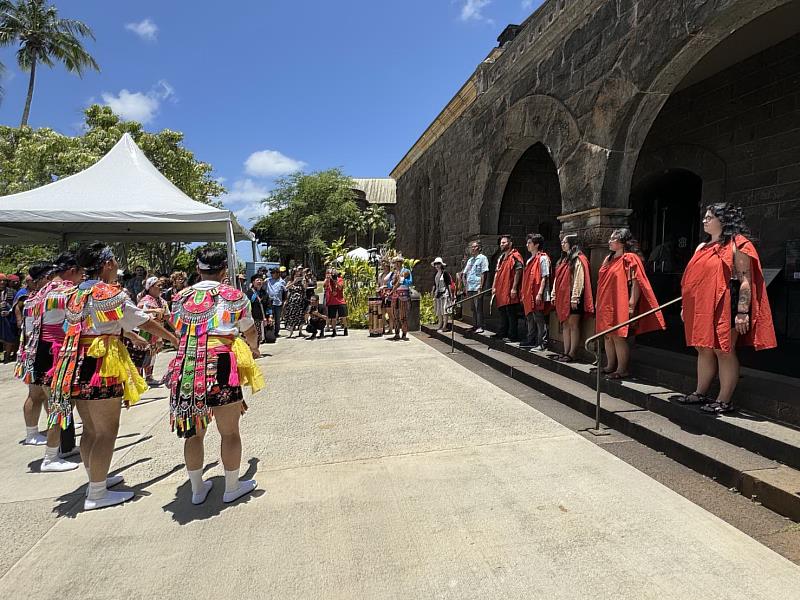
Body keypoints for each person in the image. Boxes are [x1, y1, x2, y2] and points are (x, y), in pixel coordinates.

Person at [48, 243, 177, 510]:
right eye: (114, 261)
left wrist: (129, 335)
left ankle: (96, 477)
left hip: (75, 361)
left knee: (92, 429)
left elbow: (83, 324)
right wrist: (173, 338)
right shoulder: (110, 293)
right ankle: (96, 493)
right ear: (106, 264)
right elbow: (141, 319)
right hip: (101, 363)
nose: (117, 265)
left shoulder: (74, 293)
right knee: (107, 431)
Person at [167, 247, 263, 505]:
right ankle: (231, 487)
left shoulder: (179, 298)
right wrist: (253, 349)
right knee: (229, 431)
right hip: (221, 361)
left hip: (187, 362)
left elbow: (177, 328)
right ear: (223, 271)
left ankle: (198, 488)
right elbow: (250, 329)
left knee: (193, 432)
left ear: (198, 270)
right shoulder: (234, 296)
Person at [678, 203, 776, 414]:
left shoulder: (738, 244)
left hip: (726, 303)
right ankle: (700, 391)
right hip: (701, 305)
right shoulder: (700, 247)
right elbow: (693, 281)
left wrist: (742, 312)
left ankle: (724, 399)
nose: (705, 220)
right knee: (702, 347)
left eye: (710, 217)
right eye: (704, 216)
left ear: (724, 220)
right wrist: (686, 306)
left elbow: (745, 280)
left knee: (723, 349)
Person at [16, 254, 85, 470]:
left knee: (54, 402)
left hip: (40, 353)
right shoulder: (62, 292)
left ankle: (62, 448)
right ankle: (50, 457)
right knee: (59, 404)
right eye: (80, 273)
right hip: (55, 354)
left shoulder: (35, 297)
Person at [595, 229, 665, 379]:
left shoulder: (630, 258)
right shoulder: (609, 258)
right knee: (607, 335)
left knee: (618, 336)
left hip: (620, 301)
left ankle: (622, 369)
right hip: (606, 302)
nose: (610, 241)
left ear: (622, 242)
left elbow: (636, 282)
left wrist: (631, 304)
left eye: (613, 239)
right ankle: (609, 365)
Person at [15, 262, 54, 447]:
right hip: (35, 353)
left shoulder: (34, 298)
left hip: (35, 352)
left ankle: (44, 427)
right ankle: (31, 432)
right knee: (36, 395)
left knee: (44, 395)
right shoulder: (36, 300)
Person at [553, 234, 594, 362]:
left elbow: (579, 279)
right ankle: (565, 351)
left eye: (565, 242)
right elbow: (557, 279)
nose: (562, 244)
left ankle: (572, 353)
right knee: (565, 324)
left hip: (573, 296)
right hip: (563, 295)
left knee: (573, 324)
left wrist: (575, 296)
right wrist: (554, 293)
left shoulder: (578, 259)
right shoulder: (563, 260)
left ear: (572, 243)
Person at [520, 234, 552, 351]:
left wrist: (539, 293)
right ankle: (530, 339)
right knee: (530, 317)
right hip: (529, 293)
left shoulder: (543, 258)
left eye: (529, 243)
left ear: (536, 244)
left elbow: (544, 276)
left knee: (539, 318)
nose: (527, 245)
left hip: (538, 292)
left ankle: (541, 342)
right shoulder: (529, 259)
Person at [137, 276, 170, 386]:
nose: (160, 288)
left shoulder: (161, 300)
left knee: (153, 354)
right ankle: (139, 378)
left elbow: (167, 315)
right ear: (150, 287)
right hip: (146, 331)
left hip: (157, 330)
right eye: (158, 286)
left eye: (161, 286)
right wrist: (154, 310)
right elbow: (139, 312)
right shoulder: (145, 300)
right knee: (143, 353)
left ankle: (149, 376)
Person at [491, 235, 524, 342]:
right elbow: (497, 272)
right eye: (501, 243)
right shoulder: (501, 257)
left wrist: (514, 288)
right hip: (501, 289)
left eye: (504, 243)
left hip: (509, 289)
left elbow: (519, 271)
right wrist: (494, 286)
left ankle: (512, 335)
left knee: (511, 313)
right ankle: (502, 332)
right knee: (503, 312)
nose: (502, 244)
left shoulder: (515, 256)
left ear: (510, 244)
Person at [462, 241, 489, 333]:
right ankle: (475, 325)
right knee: (473, 308)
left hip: (477, 286)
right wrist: (465, 286)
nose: (472, 249)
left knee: (478, 308)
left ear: (479, 248)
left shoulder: (482, 258)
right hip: (470, 287)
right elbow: (465, 273)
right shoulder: (470, 260)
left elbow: (484, 273)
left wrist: (481, 287)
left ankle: (480, 326)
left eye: (474, 247)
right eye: (471, 247)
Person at [388, 257, 412, 341]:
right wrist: (392, 283)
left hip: (403, 295)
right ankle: (397, 333)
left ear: (401, 263)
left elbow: (410, 282)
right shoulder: (394, 273)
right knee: (395, 315)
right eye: (395, 263)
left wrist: (402, 280)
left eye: (398, 262)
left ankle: (404, 334)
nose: (396, 264)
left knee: (403, 315)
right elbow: (389, 284)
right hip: (395, 296)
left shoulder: (406, 271)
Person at [0, 273, 19, 362]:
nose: (2, 282)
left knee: (9, 337)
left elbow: (16, 305)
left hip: (7, 319)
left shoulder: (12, 292)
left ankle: (7, 356)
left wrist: (9, 311)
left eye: (4, 281)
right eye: (0, 281)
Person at [431, 257, 454, 332]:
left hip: (444, 293)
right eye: (436, 264)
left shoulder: (445, 273)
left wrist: (451, 295)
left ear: (441, 264)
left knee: (444, 310)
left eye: (438, 264)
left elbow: (449, 284)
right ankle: (440, 324)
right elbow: (434, 284)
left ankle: (444, 326)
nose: (437, 265)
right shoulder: (436, 273)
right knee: (439, 310)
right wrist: (433, 291)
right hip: (438, 293)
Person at [325, 268, 348, 336]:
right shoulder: (329, 280)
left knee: (343, 317)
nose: (333, 274)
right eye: (332, 273)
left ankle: (345, 328)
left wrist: (335, 281)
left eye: (334, 272)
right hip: (332, 301)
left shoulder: (340, 279)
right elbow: (325, 286)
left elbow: (340, 287)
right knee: (333, 318)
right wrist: (328, 279)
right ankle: (334, 330)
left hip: (340, 301)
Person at [249, 275, 271, 344]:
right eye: (257, 280)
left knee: (259, 337)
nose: (259, 281)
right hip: (251, 319)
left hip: (261, 319)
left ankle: (256, 352)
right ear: (253, 282)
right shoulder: (249, 293)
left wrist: (270, 316)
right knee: (251, 337)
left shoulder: (265, 293)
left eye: (261, 280)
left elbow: (268, 305)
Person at [266, 268, 287, 337]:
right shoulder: (268, 280)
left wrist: (285, 301)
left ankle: (276, 332)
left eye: (273, 273)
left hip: (278, 302)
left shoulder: (282, 282)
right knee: (270, 317)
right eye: (271, 273)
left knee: (277, 319)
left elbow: (285, 291)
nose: (272, 274)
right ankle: (269, 331)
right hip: (269, 302)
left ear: (278, 274)